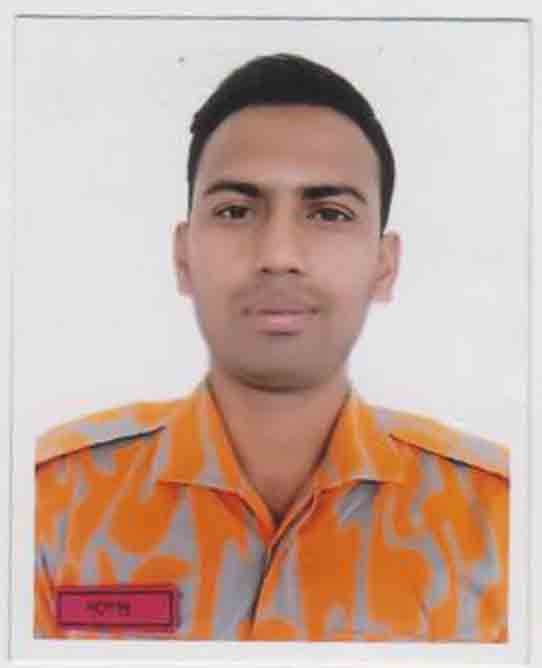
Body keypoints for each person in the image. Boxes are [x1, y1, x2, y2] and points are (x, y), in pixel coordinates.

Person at [34, 53, 509, 642]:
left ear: (383, 266)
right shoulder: (48, 505)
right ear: (183, 256)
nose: (278, 254)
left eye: (329, 213)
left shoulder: (499, 522)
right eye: (236, 210)